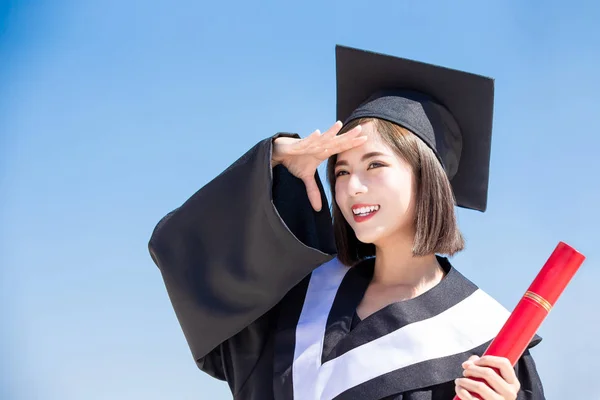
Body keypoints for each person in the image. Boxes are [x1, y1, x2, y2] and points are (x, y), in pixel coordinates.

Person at [148, 45, 546, 399]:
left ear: (428, 179)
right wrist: (273, 159)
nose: (352, 187)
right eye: (340, 171)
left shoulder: (483, 339)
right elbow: (182, 249)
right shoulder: (302, 298)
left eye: (375, 165)